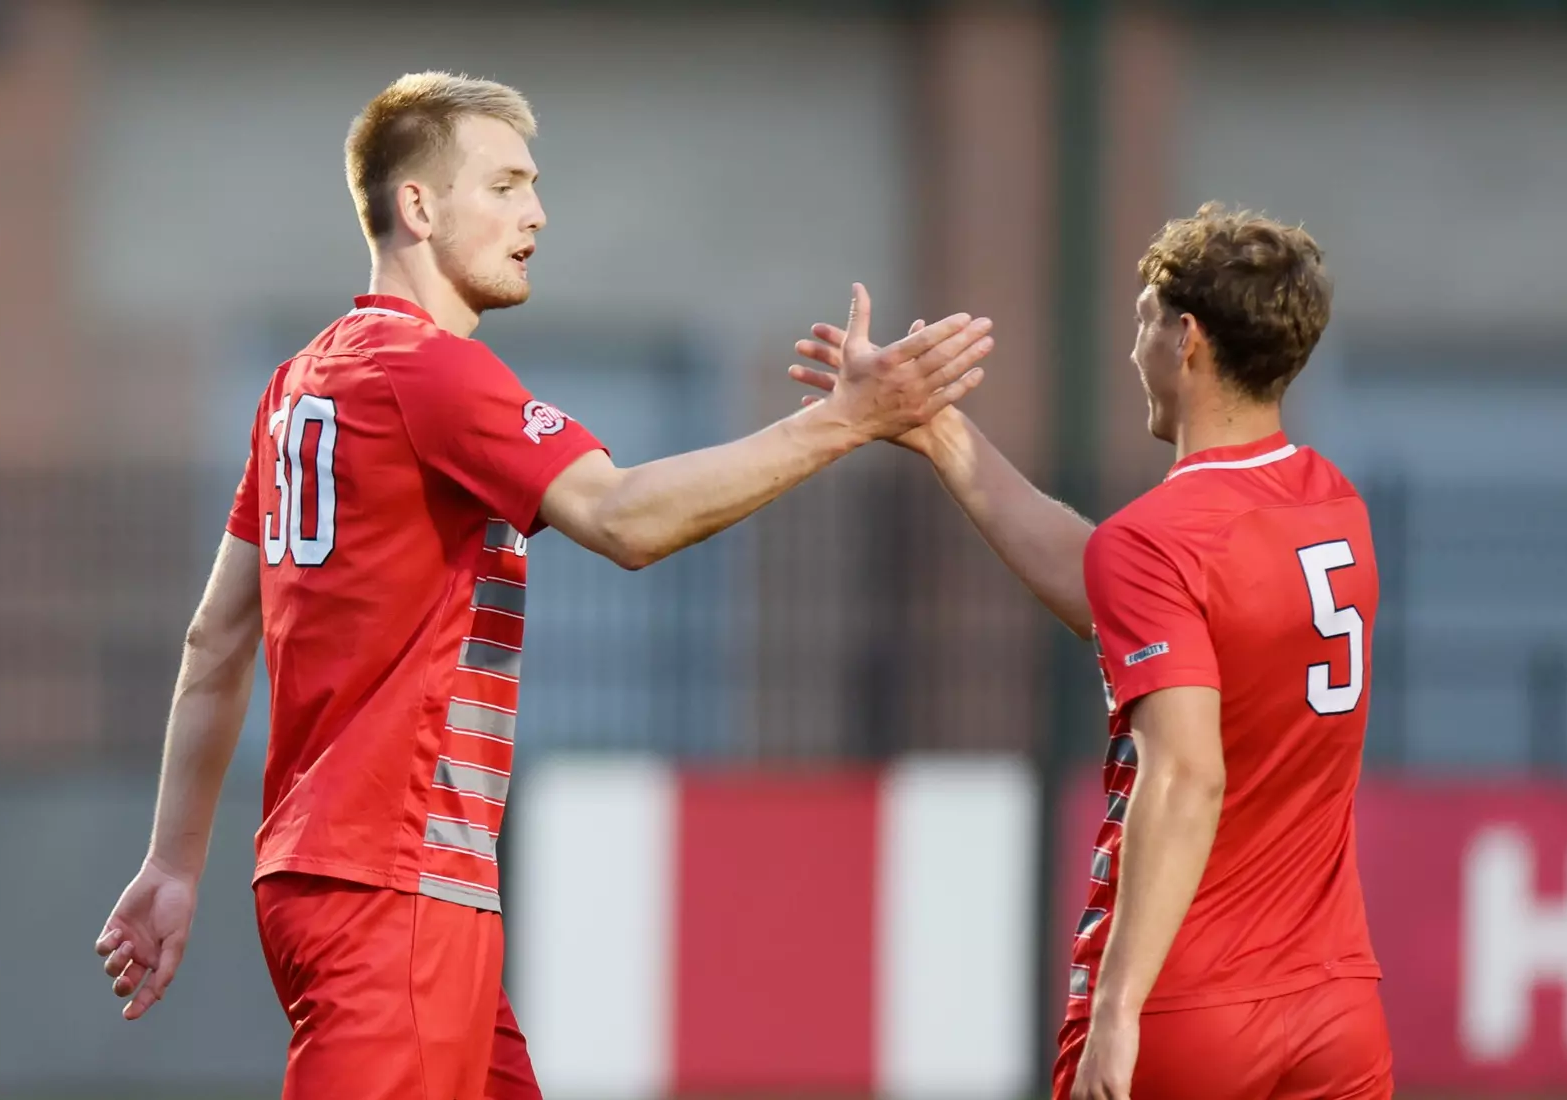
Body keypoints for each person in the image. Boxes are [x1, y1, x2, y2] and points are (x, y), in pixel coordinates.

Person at [93, 71, 994, 1100]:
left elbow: (215, 639)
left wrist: (173, 863)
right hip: (397, 881)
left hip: (337, 876)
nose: (537, 213)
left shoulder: (297, 384)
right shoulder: (430, 371)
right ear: (418, 205)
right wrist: (843, 422)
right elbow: (625, 517)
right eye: (506, 184)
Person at [791, 202, 1392, 1099]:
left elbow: (1185, 775)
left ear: (1187, 339)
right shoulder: (1331, 503)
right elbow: (1113, 592)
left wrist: (1117, 1007)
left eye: (1144, 320)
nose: (1133, 348)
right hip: (1336, 1005)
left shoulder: (1158, 540)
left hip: (1190, 1009)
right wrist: (934, 425)